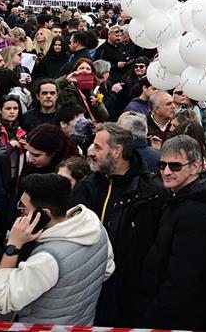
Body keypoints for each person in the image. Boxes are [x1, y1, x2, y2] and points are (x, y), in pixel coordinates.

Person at [71, 122, 168, 327]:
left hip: (130, 295)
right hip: (87, 290)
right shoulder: (86, 187)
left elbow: (159, 248)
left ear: (117, 151)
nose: (91, 152)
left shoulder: (152, 193)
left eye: (98, 147)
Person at [0, 173, 114, 326]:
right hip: (82, 323)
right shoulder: (93, 227)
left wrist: (13, 245)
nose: (20, 212)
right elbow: (107, 269)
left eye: (24, 207)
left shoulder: (47, 258)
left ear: (44, 213)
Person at [137, 135, 206, 330]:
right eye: (162, 165)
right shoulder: (182, 199)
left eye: (175, 166)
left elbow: (182, 280)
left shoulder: (195, 215)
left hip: (184, 317)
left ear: (195, 166)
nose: (166, 172)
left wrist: (154, 318)